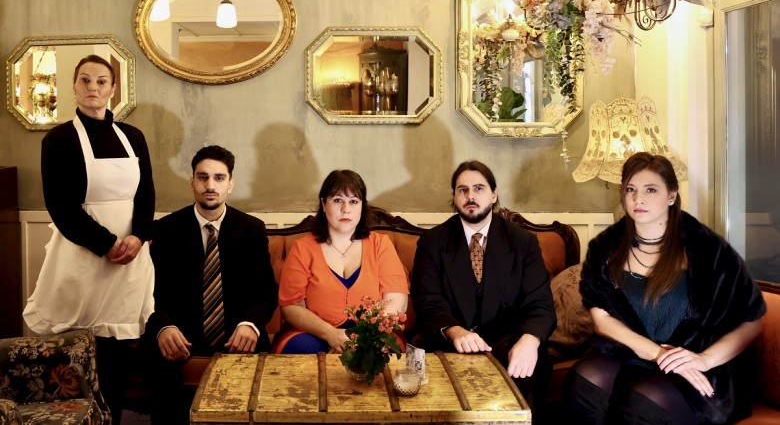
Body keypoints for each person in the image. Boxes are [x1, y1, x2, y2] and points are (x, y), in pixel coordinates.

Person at [563, 152, 766, 424]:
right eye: (631, 190)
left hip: (692, 361)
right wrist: (657, 353)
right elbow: (602, 320)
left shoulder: (709, 250)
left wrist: (704, 360)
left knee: (642, 402)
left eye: (651, 190)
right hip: (633, 353)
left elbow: (752, 321)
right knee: (584, 382)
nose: (638, 199)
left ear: (671, 196)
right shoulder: (604, 247)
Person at [23, 54, 155, 424]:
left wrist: (138, 236)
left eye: (101, 81)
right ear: (74, 87)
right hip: (83, 253)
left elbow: (146, 194)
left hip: (130, 255)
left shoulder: (133, 137)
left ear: (113, 89)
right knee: (78, 346)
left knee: (118, 348)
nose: (92, 87)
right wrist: (107, 244)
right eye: (85, 80)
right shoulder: (58, 139)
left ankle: (112, 417)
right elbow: (60, 206)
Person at [144, 145, 277, 424]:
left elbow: (265, 291)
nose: (210, 185)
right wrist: (164, 327)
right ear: (192, 182)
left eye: (219, 178)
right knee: (158, 365)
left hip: (236, 334)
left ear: (230, 184)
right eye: (202, 177)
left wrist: (250, 325)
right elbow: (150, 291)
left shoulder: (252, 229)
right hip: (179, 334)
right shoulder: (166, 229)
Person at [409, 160, 556, 413]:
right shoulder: (432, 242)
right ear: (454, 197)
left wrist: (529, 341)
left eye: (479, 188)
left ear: (493, 194)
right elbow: (427, 301)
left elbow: (540, 304)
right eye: (462, 190)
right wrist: (455, 331)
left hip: (505, 339)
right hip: (449, 338)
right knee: (418, 353)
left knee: (535, 359)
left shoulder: (523, 243)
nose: (471, 196)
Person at [273, 169, 408, 354]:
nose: (346, 209)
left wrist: (364, 337)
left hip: (372, 333)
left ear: (362, 206)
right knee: (302, 347)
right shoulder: (302, 248)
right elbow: (291, 307)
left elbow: (396, 301)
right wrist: (330, 334)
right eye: (337, 200)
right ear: (323, 203)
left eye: (353, 201)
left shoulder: (380, 245)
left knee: (381, 350)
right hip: (314, 333)